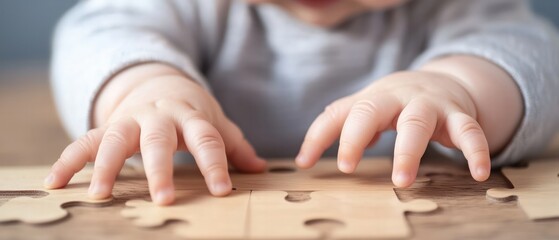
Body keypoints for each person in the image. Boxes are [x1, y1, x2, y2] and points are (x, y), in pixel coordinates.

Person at [44, 0, 559, 205]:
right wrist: (143, 88)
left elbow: (531, 55)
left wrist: (459, 87)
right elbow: (98, 32)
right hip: (199, 209)